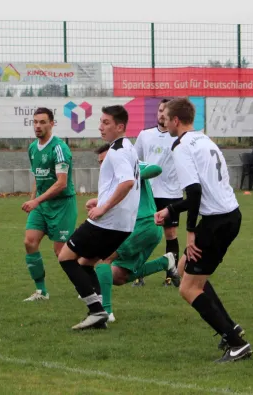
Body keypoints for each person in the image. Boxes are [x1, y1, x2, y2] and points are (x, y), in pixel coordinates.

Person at [155, 97, 252, 363]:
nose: (162, 120)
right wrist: (171, 210)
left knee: (187, 288)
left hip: (215, 222)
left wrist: (190, 233)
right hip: (230, 214)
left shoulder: (181, 145)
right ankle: (230, 329)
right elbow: (202, 191)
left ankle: (236, 343)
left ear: (176, 121)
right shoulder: (205, 140)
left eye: (165, 116)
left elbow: (195, 191)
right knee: (186, 269)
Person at [58, 105, 140, 330]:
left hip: (108, 222)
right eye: (101, 122)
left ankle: (96, 311)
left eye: (106, 123)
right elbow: (123, 183)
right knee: (85, 264)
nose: (101, 127)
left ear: (120, 126)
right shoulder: (128, 148)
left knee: (66, 257)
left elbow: (127, 183)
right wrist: (100, 201)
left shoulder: (117, 151)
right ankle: (99, 312)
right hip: (123, 224)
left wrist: (103, 209)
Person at [90, 144, 180, 322]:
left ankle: (105, 313)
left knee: (102, 259)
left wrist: (132, 174)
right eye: (100, 162)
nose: (103, 165)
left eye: (105, 161)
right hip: (139, 228)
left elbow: (156, 168)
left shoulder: (129, 165)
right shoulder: (110, 179)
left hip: (144, 224)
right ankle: (164, 262)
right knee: (118, 276)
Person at [21, 107, 77, 302]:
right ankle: (41, 291)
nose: (38, 126)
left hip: (62, 205)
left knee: (62, 252)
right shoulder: (32, 148)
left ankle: (87, 285)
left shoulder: (60, 148)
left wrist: (36, 200)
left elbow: (61, 183)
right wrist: (33, 199)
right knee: (30, 242)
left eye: (42, 122)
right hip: (42, 206)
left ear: (52, 124)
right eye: (35, 122)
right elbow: (37, 176)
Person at [134, 98, 182, 287]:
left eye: (166, 111)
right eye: (160, 110)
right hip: (148, 194)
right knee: (141, 234)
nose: (162, 113)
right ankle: (137, 273)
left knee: (170, 234)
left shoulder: (179, 137)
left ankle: (171, 275)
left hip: (171, 193)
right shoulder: (145, 135)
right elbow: (135, 162)